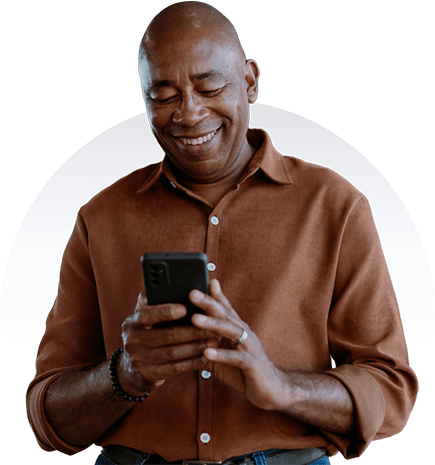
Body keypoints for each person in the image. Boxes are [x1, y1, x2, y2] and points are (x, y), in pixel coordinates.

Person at [26, 2, 418, 465]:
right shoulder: (98, 218)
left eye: (209, 86)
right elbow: (47, 417)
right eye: (163, 95)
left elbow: (392, 396)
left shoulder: (335, 205)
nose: (188, 114)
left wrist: (281, 387)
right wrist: (126, 375)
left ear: (251, 81)